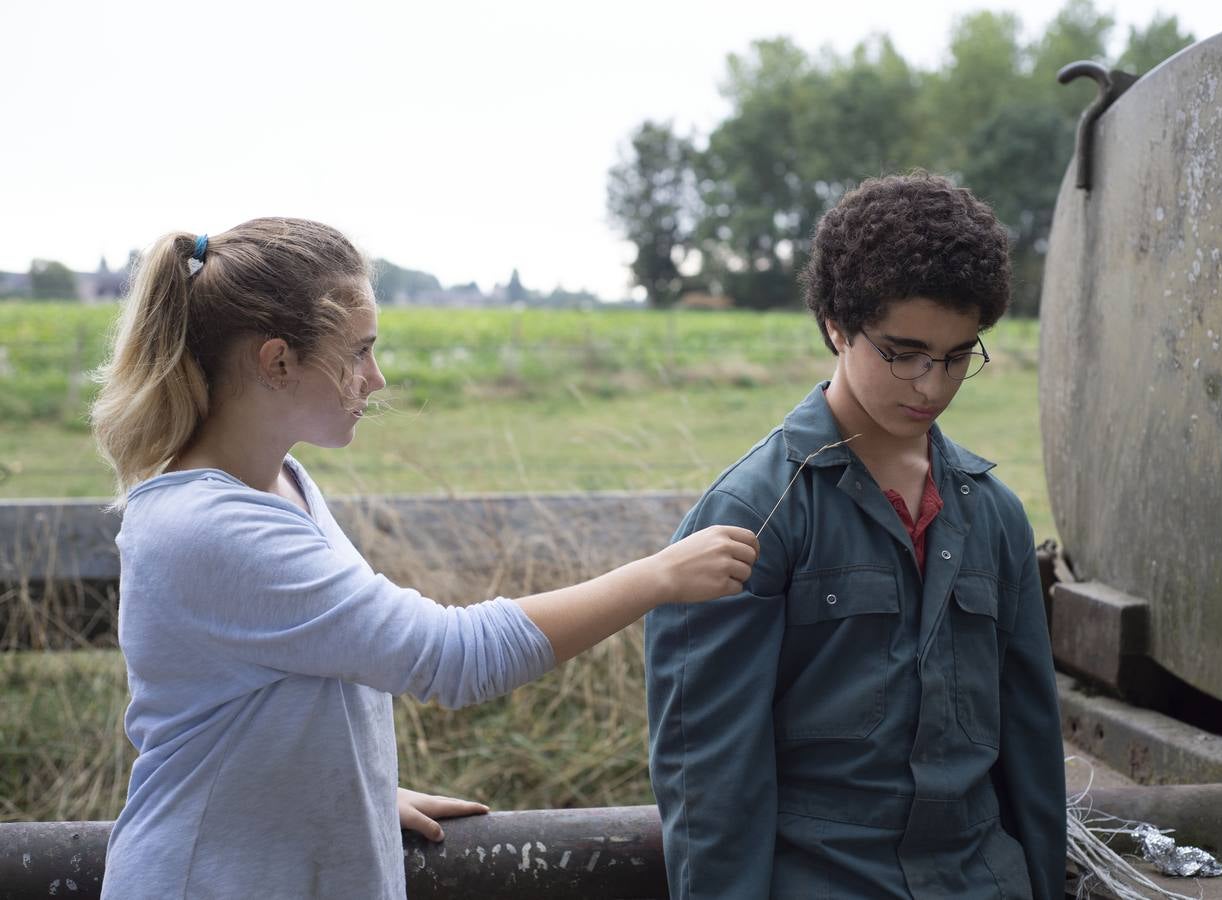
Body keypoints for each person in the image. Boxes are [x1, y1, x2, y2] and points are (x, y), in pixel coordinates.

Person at [89, 217, 759, 900]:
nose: (375, 379)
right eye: (358, 352)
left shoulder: (280, 483)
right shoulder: (209, 528)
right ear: (277, 361)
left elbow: (274, 693)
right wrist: (659, 576)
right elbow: (452, 657)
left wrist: (353, 793)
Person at [645, 173, 1065, 899]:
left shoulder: (993, 514)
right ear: (837, 326)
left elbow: (1030, 747)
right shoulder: (755, 514)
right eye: (903, 353)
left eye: (959, 356)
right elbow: (710, 782)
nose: (931, 385)